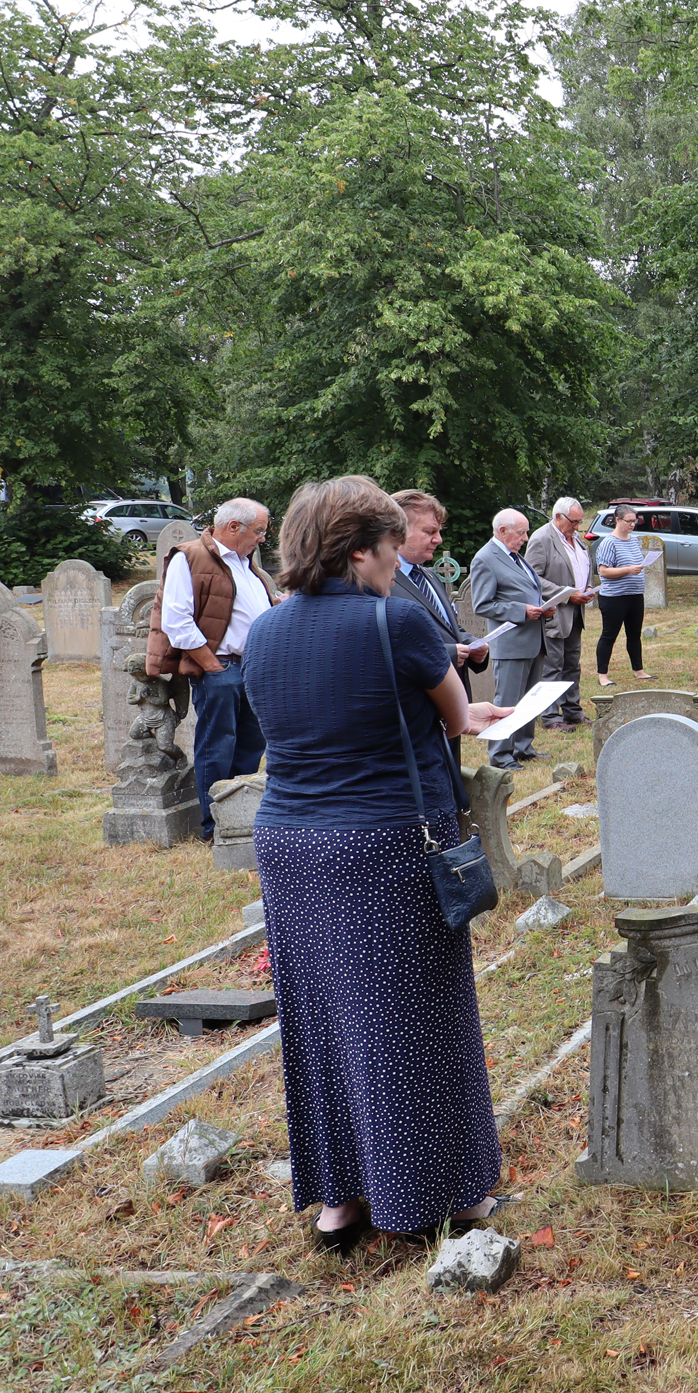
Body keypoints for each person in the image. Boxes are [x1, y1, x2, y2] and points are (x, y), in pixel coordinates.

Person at [237, 475, 510, 1252]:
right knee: (415, 1018)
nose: (398, 565)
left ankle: (339, 1202)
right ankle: (434, 1193)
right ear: (359, 550)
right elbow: (459, 718)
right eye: (392, 549)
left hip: (289, 841)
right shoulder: (397, 622)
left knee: (321, 1020)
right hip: (384, 838)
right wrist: (478, 713)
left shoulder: (266, 630)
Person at [147, 498, 277, 841]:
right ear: (233, 527)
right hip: (222, 667)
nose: (263, 538)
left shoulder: (245, 563)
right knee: (219, 747)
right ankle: (214, 828)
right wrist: (213, 667)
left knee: (252, 743)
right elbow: (177, 620)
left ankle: (241, 817)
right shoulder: (189, 556)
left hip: (254, 667)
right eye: (259, 531)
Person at [387, 489, 489, 798]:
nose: (439, 539)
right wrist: (446, 653)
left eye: (438, 531)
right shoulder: (383, 581)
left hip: (451, 702)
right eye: (429, 531)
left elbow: (451, 627)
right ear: (398, 530)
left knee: (449, 778)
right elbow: (390, 644)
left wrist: (472, 644)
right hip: (418, 707)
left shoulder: (429, 577)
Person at [466, 510, 557, 770]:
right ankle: (501, 755)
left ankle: (523, 747)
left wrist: (542, 606)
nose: (526, 538)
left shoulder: (515, 557)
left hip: (533, 638)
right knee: (507, 700)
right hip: (511, 642)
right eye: (521, 533)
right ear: (502, 531)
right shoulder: (485, 558)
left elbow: (526, 590)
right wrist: (522, 611)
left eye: (526, 532)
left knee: (529, 698)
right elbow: (483, 604)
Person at [524, 497, 597, 729]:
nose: (577, 526)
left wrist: (587, 588)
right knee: (553, 665)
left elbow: (582, 567)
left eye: (579, 522)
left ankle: (572, 711)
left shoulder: (576, 539)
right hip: (554, 612)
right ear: (558, 517)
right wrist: (567, 594)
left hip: (576, 612)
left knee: (572, 664)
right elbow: (532, 578)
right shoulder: (541, 539)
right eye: (573, 521)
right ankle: (550, 716)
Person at [591, 508, 653, 687]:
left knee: (634, 635)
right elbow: (603, 571)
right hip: (614, 597)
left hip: (635, 595)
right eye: (629, 521)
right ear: (617, 520)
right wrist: (628, 570)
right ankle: (603, 675)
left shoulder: (634, 541)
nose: (632, 524)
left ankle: (639, 670)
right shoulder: (608, 543)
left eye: (635, 521)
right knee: (609, 636)